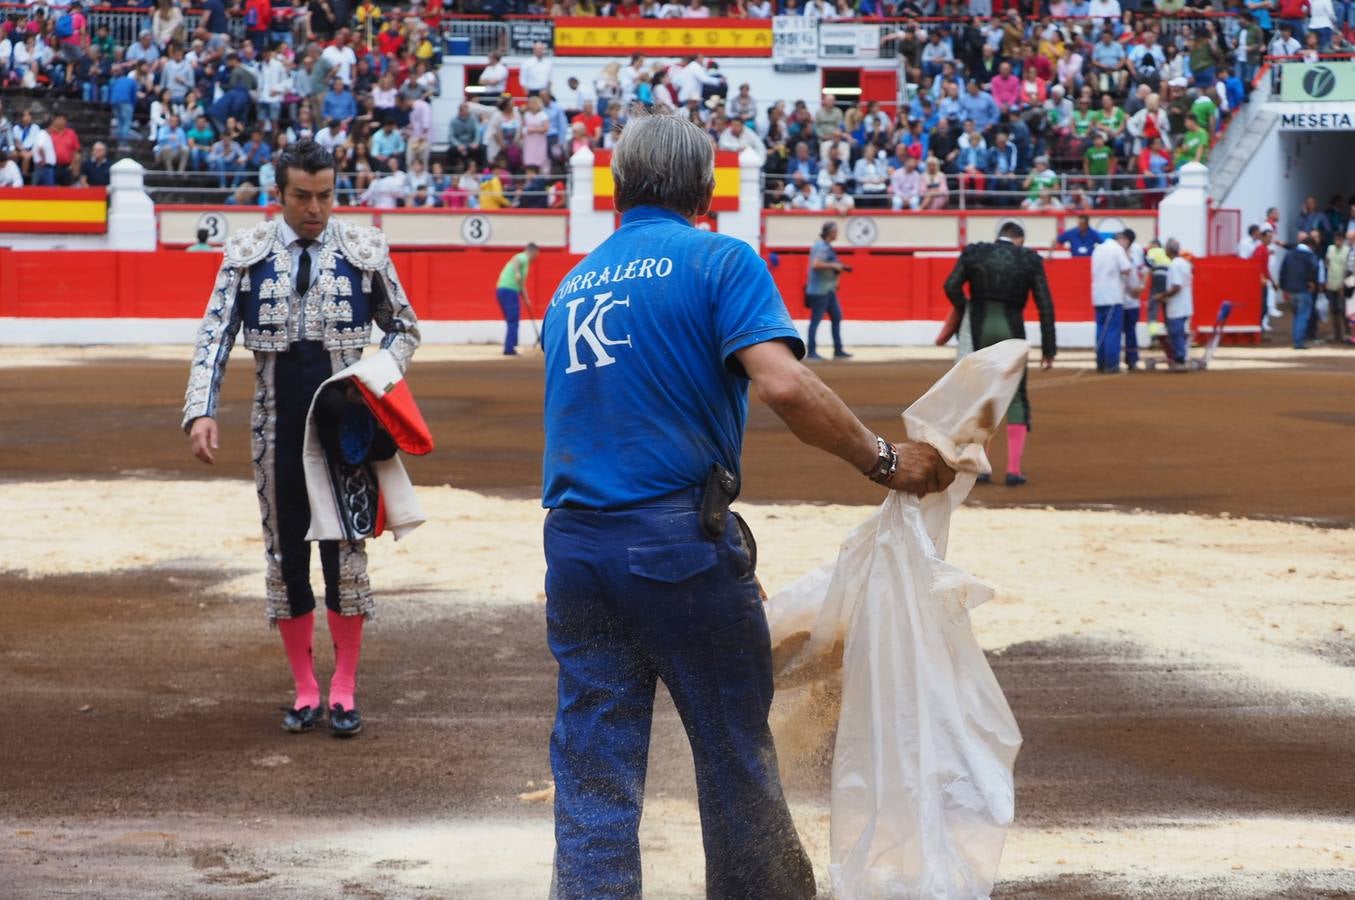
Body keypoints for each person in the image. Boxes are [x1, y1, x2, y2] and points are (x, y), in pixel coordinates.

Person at [540, 108, 955, 900]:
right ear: (704, 190)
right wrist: (882, 459)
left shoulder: (572, 283)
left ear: (617, 188)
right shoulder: (717, 259)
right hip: (676, 547)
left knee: (595, 763)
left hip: (575, 551)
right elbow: (784, 383)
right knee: (732, 752)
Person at [181, 140, 421, 738]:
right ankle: (305, 687)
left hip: (345, 434)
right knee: (287, 557)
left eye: (325, 196)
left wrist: (373, 384)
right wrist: (200, 411)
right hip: (274, 430)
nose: (315, 209)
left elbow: (405, 329)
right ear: (279, 193)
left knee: (345, 556)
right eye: (302, 197)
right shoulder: (248, 253)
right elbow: (214, 335)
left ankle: (343, 688)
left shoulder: (362, 250)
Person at [941, 221, 1056, 486]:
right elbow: (1045, 305)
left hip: (980, 327)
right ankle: (1013, 470)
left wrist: (966, 308)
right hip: (1011, 329)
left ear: (998, 237)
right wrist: (1049, 348)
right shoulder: (1028, 259)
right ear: (1020, 240)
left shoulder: (975, 252)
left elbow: (950, 286)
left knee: (983, 395)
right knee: (1016, 396)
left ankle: (981, 466)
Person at [804, 222, 851, 360]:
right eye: (836, 231)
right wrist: (834, 265)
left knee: (836, 317)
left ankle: (838, 350)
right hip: (819, 291)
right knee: (815, 321)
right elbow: (816, 264)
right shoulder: (822, 247)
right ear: (831, 232)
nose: (837, 234)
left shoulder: (825, 247)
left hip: (828, 289)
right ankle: (811, 352)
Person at [1091, 230, 1134, 373]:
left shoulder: (1098, 249)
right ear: (1121, 239)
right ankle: (1111, 364)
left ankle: (1101, 363)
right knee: (1113, 331)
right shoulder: (1117, 249)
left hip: (1098, 296)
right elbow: (1127, 269)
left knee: (1101, 329)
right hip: (1113, 296)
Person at [1152, 238, 1194, 365]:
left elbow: (1176, 286)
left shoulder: (1175, 264)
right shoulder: (1184, 263)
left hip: (1177, 305)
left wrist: (1162, 296)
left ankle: (1179, 358)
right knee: (1179, 332)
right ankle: (1180, 356)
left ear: (1169, 250)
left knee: (1176, 333)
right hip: (1185, 304)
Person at [495, 242, 538, 356]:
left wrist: (526, 298)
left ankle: (512, 345)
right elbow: (516, 261)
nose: (536, 257)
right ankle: (509, 348)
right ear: (532, 251)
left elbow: (521, 284)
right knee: (513, 321)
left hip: (502, 290)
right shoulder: (523, 257)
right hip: (510, 291)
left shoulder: (525, 262)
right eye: (536, 254)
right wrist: (517, 272)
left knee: (511, 321)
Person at [1279, 232, 1320, 350]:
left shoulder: (1290, 254)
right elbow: (1314, 269)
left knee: (1297, 315)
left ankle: (1297, 339)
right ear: (1311, 245)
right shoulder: (1310, 255)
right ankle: (1298, 342)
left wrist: (1283, 288)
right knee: (1302, 315)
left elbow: (1283, 271)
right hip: (1303, 289)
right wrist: (1312, 282)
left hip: (1290, 290)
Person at [1325, 230, 1348, 344]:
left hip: (1342, 285)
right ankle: (1337, 334)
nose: (1338, 242)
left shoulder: (1347, 251)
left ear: (1343, 240)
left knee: (1343, 310)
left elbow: (1348, 269)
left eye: (1340, 240)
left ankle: (1347, 333)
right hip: (1331, 284)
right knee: (1333, 310)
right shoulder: (1330, 249)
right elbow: (1327, 263)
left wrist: (1344, 284)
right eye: (1336, 240)